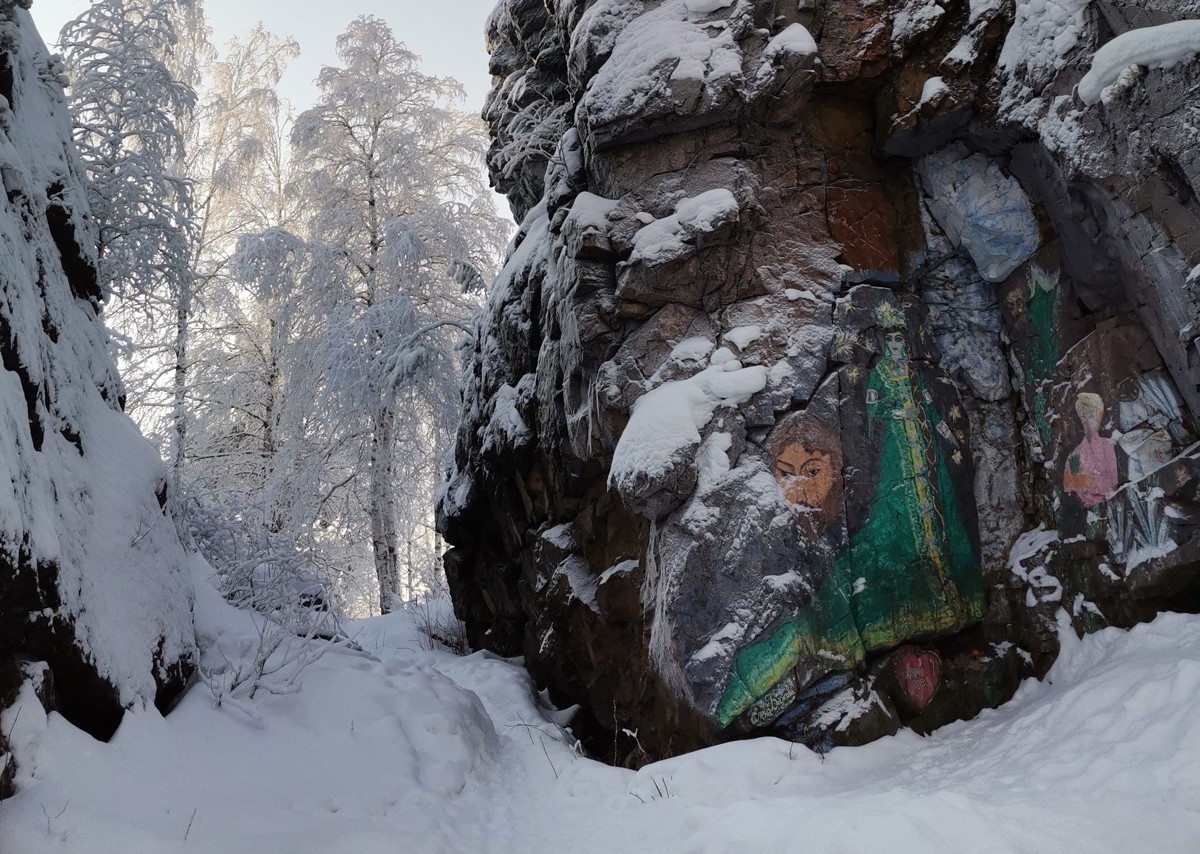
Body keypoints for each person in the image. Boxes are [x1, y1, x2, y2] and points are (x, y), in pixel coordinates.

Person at [715, 303, 983, 729]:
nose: (896, 347)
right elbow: (871, 419)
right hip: (895, 468)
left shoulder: (920, 376)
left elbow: (938, 416)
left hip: (924, 475)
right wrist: (894, 417)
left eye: (900, 341)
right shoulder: (877, 378)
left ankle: (937, 602)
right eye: (890, 341)